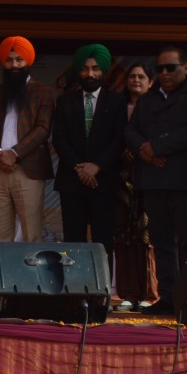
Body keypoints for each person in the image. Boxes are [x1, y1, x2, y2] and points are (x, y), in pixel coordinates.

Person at [126, 44, 187, 315]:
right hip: (152, 180)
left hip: (183, 181)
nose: (164, 73)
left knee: (186, 242)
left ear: (185, 68)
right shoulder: (148, 99)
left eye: (170, 68)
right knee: (160, 241)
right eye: (159, 69)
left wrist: (158, 147)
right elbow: (130, 130)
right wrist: (147, 152)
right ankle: (167, 297)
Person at [52, 43, 126, 271]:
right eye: (85, 69)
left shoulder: (116, 101)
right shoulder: (65, 101)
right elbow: (59, 140)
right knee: (74, 241)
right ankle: (75, 290)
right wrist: (81, 168)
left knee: (103, 240)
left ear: (103, 71)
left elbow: (119, 139)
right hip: (71, 181)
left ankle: (102, 293)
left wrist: (97, 166)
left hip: (104, 180)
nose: (90, 74)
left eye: (95, 68)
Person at [0, 36, 54, 242]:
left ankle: (31, 276)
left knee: (31, 234)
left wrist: (14, 153)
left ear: (28, 62)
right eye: (9, 60)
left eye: (19, 60)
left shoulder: (43, 92)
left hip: (27, 170)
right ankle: (4, 275)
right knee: (0, 236)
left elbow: (42, 129)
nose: (14, 65)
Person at [113, 61, 158, 309]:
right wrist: (122, 153)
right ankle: (128, 294)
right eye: (132, 76)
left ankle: (150, 295)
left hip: (149, 176)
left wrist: (139, 150)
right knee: (124, 236)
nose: (136, 80)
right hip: (121, 180)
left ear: (151, 81)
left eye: (142, 76)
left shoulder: (157, 107)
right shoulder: (117, 107)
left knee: (147, 236)